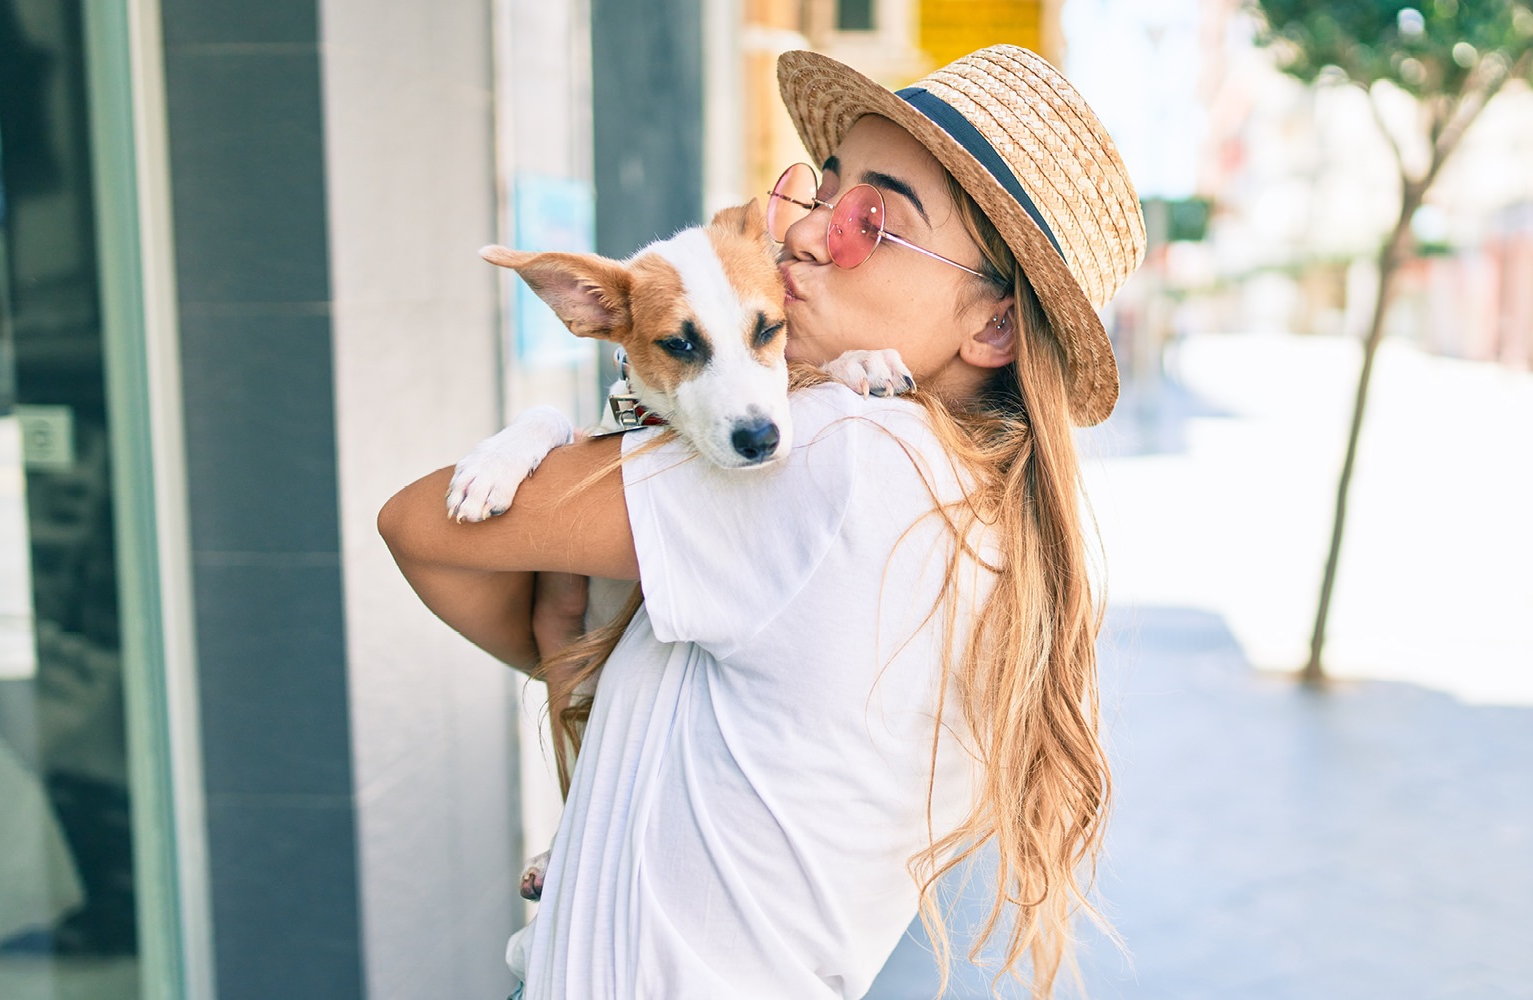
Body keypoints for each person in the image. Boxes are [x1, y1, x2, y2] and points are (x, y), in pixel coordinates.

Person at [378, 45, 1144, 999]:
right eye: (818, 193)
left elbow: (421, 523)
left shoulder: (846, 457)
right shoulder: (976, 505)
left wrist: (566, 658)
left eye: (872, 221)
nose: (808, 237)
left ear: (991, 326)